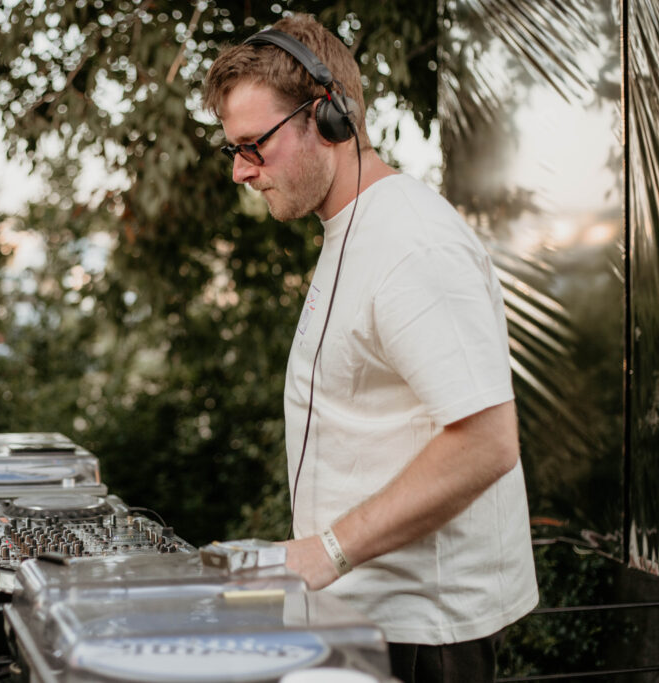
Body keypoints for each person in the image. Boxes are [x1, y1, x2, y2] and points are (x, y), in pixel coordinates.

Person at [203, 13, 538, 683]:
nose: (241, 170)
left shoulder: (413, 244)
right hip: (367, 621)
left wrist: (326, 551)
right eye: (232, 149)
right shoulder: (353, 231)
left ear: (328, 117)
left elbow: (487, 440)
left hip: (422, 637)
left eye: (255, 145)